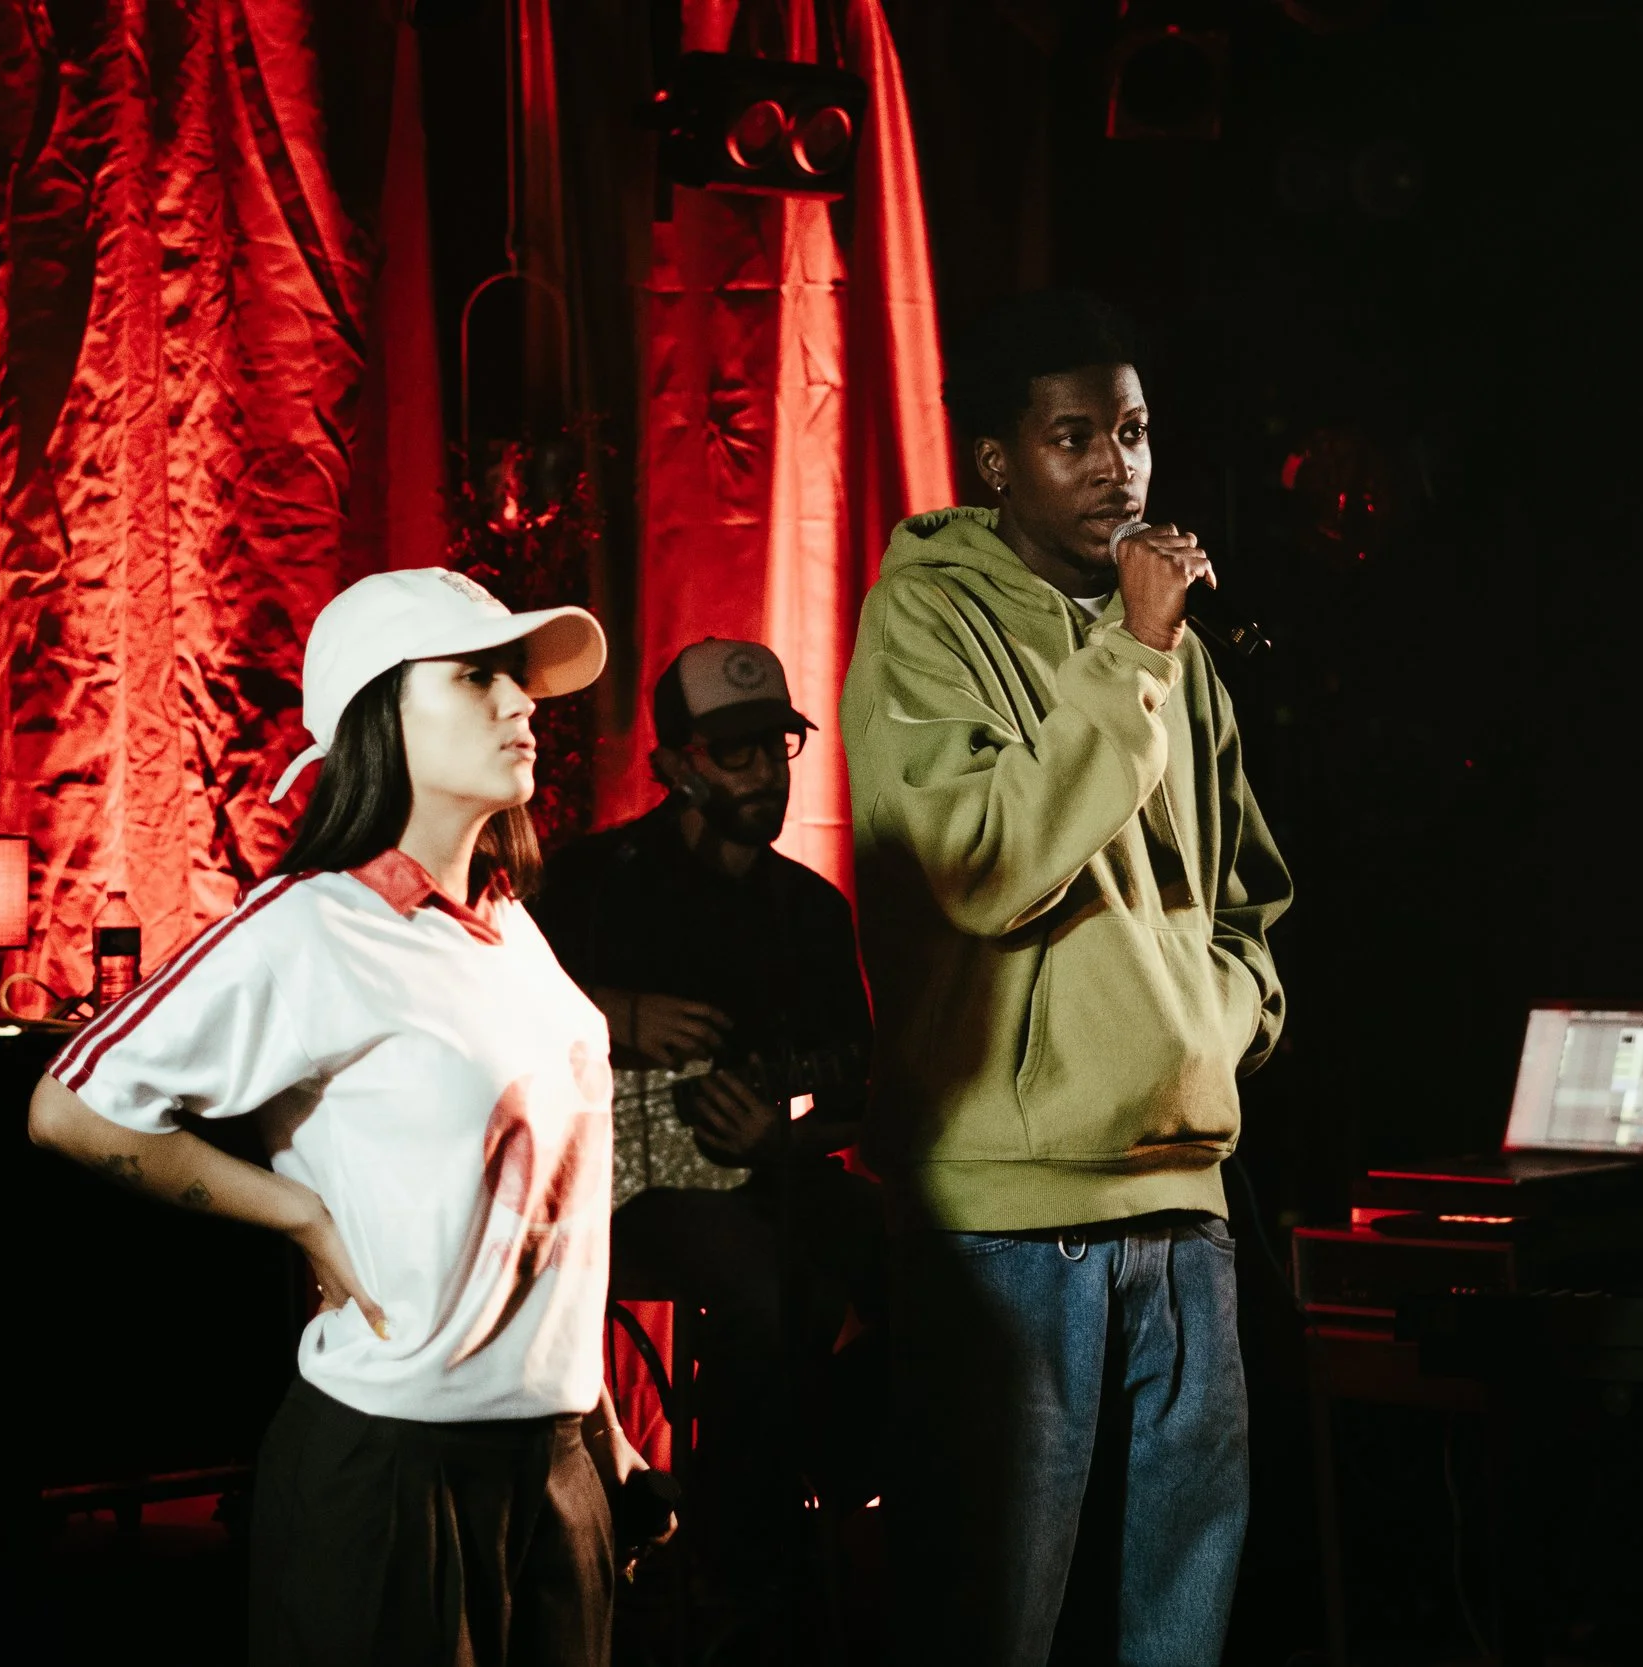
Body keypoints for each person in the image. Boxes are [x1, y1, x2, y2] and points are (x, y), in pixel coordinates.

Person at [26, 566, 662, 1667]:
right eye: (476, 678)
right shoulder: (311, 925)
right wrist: (300, 1215)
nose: (520, 703)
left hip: (551, 1458)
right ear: (380, 716)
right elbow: (71, 1105)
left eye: (516, 677)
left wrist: (600, 1435)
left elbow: (535, 1215)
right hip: (391, 1470)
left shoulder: (512, 929)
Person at [838, 289, 1293, 1665]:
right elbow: (982, 862)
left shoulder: (1173, 651)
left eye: (1137, 433)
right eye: (1074, 436)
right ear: (998, 463)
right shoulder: (925, 621)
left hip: (1184, 1201)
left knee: (1178, 1626)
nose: (1119, 468)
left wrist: (1208, 1028)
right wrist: (1132, 655)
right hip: (1007, 1218)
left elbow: (1247, 899)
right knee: (993, 1620)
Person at [532, 639, 880, 1632]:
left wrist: (789, 1131)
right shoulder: (591, 880)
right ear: (675, 763)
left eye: (775, 748)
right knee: (764, 1282)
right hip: (616, 1191)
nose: (764, 774)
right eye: (735, 755)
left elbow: (858, 1088)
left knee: (931, 1258)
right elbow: (491, 1021)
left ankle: (813, 1481)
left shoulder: (808, 910)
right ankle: (746, 1569)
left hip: (769, 1177)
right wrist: (615, 1012)